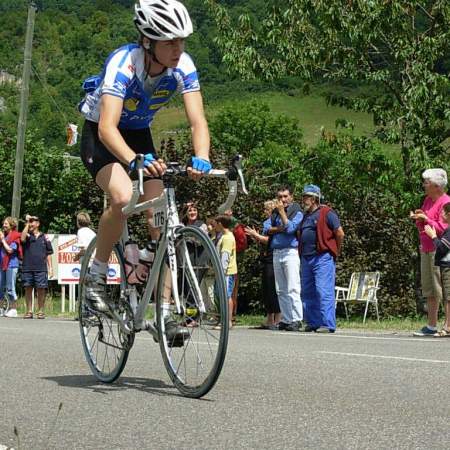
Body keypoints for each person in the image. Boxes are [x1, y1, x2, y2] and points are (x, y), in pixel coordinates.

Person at [78, 0, 212, 320]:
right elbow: (109, 127)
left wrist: (202, 156)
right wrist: (133, 160)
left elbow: (198, 121)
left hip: (139, 134)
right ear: (148, 41)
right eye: (170, 42)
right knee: (123, 197)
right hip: (102, 135)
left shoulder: (183, 66)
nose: (178, 48)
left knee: (161, 219)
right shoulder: (125, 63)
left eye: (181, 41)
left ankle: (164, 311)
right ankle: (96, 277)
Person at [298, 185, 344, 333]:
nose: (304, 200)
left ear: (314, 199)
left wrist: (335, 250)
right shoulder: (305, 216)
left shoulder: (327, 213)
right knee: (307, 292)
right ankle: (313, 322)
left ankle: (327, 323)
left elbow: (339, 233)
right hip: (306, 258)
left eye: (306, 197)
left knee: (323, 290)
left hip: (322, 257)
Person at [411, 168, 450, 336]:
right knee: (429, 288)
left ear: (436, 185)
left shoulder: (446, 202)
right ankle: (431, 324)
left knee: (442, 287)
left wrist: (427, 219)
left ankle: (447, 325)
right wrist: (419, 218)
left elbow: (445, 229)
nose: (424, 186)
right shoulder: (427, 200)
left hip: (439, 249)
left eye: (426, 183)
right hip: (426, 247)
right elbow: (424, 226)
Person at [267, 185, 303, 331]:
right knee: (280, 289)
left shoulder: (297, 211)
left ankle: (297, 319)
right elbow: (266, 228)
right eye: (280, 197)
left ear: (291, 197)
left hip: (290, 252)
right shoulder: (274, 212)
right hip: (277, 252)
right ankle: (286, 319)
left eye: (285, 196)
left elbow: (291, 229)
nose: (282, 200)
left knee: (293, 287)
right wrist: (281, 227)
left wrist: (282, 213)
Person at [245, 199, 281, 330]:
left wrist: (257, 235)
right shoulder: (266, 222)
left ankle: (278, 318)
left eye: (266, 209)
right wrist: (256, 237)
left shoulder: (274, 222)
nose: (264, 212)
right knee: (266, 289)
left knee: (273, 288)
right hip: (265, 259)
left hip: (272, 257)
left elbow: (269, 240)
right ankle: (269, 317)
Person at [424, 202, 450, 337]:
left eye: (443, 213)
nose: (441, 215)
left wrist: (433, 236)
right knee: (447, 296)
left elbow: (442, 248)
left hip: (448, 267)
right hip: (445, 266)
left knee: (448, 298)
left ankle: (448, 326)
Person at [20, 215, 53, 319]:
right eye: (30, 221)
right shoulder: (27, 235)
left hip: (41, 268)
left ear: (38, 223)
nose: (31, 223)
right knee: (28, 289)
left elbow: (48, 253)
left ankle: (41, 311)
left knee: (41, 289)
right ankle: (29, 311)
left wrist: (50, 268)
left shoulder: (44, 236)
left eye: (33, 221)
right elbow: (22, 238)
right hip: (28, 267)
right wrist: (27, 224)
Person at [224, 209, 247, 324]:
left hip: (233, 261)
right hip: (223, 260)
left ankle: (231, 316)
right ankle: (223, 315)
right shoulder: (221, 225)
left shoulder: (236, 226)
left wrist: (232, 250)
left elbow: (242, 243)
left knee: (231, 290)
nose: (226, 214)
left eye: (228, 213)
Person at [215, 215, 237, 329]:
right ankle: (222, 320)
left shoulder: (228, 238)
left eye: (216, 223)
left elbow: (225, 255)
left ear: (220, 224)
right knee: (220, 295)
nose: (215, 226)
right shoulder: (223, 236)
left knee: (226, 295)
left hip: (226, 272)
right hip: (221, 272)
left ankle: (227, 321)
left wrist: (222, 271)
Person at [0, 217, 22, 318]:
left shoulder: (15, 236)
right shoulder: (3, 235)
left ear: (11, 225)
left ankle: (13, 309)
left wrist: (2, 240)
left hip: (11, 265)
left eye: (6, 224)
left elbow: (9, 250)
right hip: (2, 265)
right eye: (3, 224)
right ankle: (1, 308)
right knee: (1, 287)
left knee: (10, 288)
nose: (4, 225)